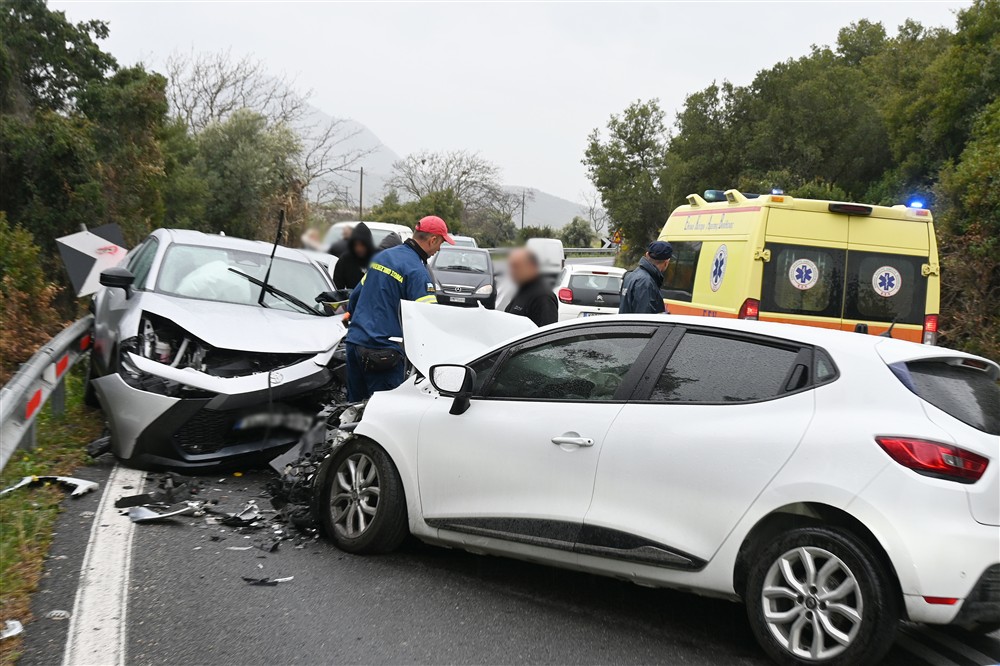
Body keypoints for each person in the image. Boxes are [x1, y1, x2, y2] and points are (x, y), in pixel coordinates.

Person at [344, 215, 454, 400]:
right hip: (382, 355)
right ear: (433, 239)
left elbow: (355, 297)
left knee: (352, 410)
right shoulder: (417, 272)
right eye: (441, 243)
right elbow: (427, 320)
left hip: (354, 344)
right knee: (385, 413)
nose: (439, 249)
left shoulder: (383, 257)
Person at [504, 247, 558, 327]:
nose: (512, 271)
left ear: (531, 267)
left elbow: (548, 336)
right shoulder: (522, 290)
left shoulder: (543, 297)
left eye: (516, 266)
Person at [619, 240, 672, 315]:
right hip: (634, 326)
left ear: (647, 255)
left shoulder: (629, 275)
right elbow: (644, 320)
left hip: (625, 326)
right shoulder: (646, 282)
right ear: (666, 262)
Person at [332, 223, 375, 290]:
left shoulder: (378, 259)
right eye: (356, 245)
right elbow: (337, 289)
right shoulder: (345, 260)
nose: (359, 248)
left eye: (362, 245)